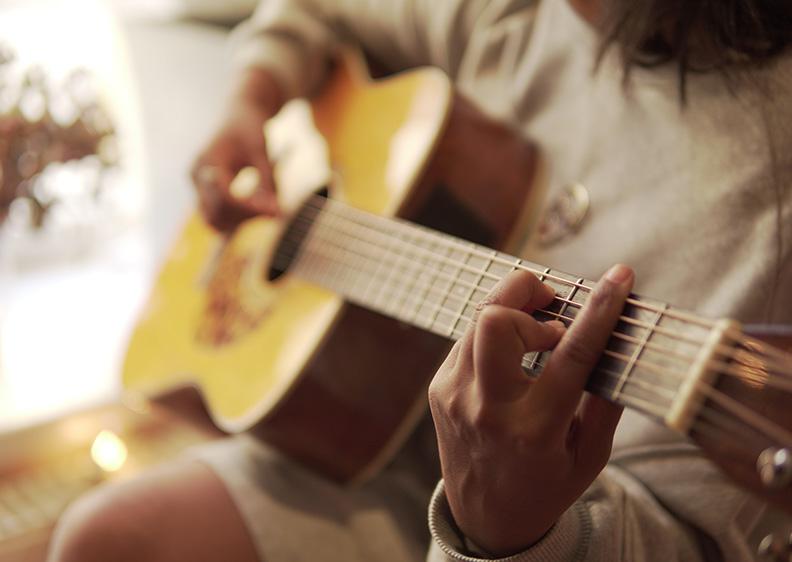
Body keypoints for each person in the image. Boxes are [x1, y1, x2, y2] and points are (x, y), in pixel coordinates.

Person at [47, 0, 792, 561]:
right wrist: (257, 88)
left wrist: (505, 530)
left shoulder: (766, 191)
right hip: (375, 415)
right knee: (105, 538)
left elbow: (693, 539)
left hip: (545, 518)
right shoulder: (527, 14)